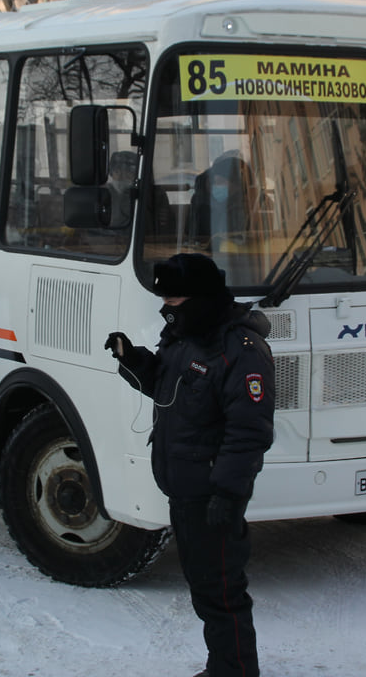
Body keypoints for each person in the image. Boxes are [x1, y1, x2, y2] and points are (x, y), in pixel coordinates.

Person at [105, 253, 275, 677]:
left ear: (200, 297)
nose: (166, 308)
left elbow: (249, 432)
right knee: (205, 586)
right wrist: (132, 358)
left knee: (221, 591)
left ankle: (235, 672)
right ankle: (223, 666)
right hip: (185, 489)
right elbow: (168, 388)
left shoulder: (240, 350)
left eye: (174, 300)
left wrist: (228, 493)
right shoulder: (185, 337)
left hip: (212, 494)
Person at [188, 154, 255, 245]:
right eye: (214, 182)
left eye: (220, 182)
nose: (215, 187)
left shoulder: (252, 204)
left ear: (237, 185)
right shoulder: (203, 204)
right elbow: (194, 238)